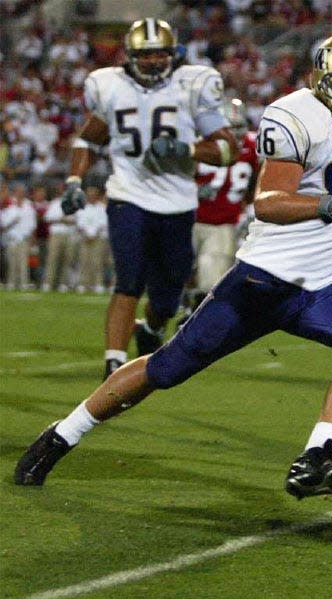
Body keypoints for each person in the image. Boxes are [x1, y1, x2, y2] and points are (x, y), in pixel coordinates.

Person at [14, 32, 332, 501]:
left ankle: (318, 455)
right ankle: (61, 435)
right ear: (323, 84)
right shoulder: (296, 117)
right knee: (166, 369)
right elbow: (268, 202)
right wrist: (331, 204)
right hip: (263, 279)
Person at [56, 18, 238, 379]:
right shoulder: (111, 87)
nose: (154, 61)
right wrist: (75, 180)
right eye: (146, 54)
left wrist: (184, 148)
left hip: (178, 203)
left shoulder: (191, 87)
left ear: (172, 55)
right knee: (129, 278)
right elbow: (88, 139)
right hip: (128, 196)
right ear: (131, 56)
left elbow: (227, 149)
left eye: (160, 54)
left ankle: (152, 328)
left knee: (168, 296)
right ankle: (113, 363)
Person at [181, 97, 259, 318]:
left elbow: (258, 184)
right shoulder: (200, 144)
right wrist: (192, 190)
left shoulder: (254, 148)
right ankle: (170, 317)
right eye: (229, 128)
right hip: (187, 218)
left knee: (209, 283)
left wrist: (250, 211)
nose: (235, 134)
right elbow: (176, 180)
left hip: (223, 224)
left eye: (239, 127)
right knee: (176, 277)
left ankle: (191, 321)